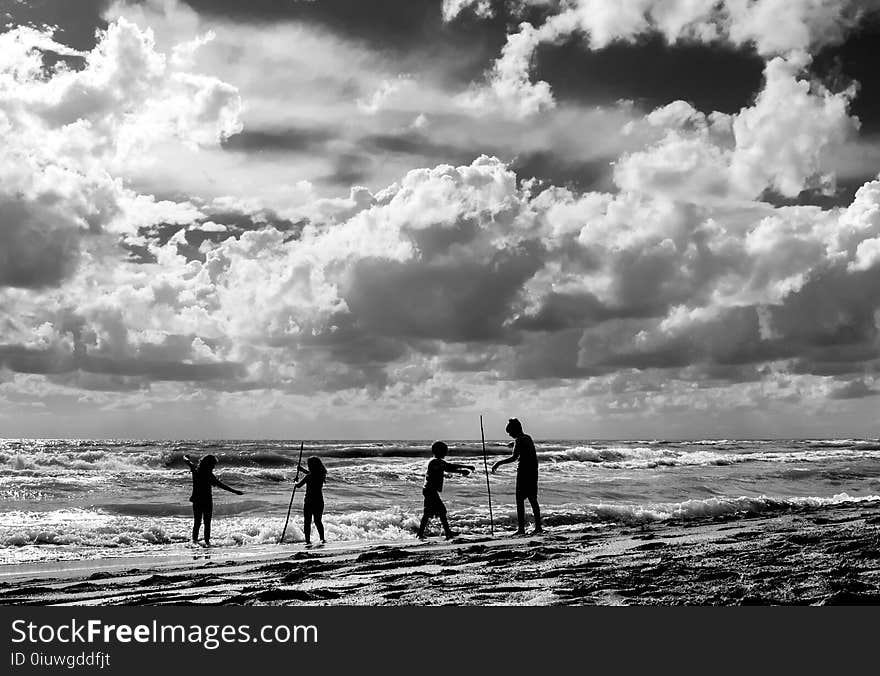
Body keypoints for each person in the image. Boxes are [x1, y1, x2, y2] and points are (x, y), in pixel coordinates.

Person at [492, 418, 543, 535]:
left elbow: (514, 458)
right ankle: (538, 527)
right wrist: (513, 445)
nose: (510, 435)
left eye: (510, 433)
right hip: (533, 472)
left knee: (520, 501)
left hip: (523, 473)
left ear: (515, 430)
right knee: (533, 500)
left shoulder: (519, 441)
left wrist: (498, 463)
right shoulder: (528, 438)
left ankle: (521, 529)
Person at [416, 441, 475, 540]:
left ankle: (422, 533)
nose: (446, 453)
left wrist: (464, 468)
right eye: (445, 451)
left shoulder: (437, 461)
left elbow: (448, 467)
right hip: (430, 490)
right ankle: (446, 532)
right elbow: (449, 466)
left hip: (429, 490)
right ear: (439, 451)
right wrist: (464, 468)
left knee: (430, 512)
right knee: (441, 511)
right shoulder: (434, 461)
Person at [182, 454, 243, 547]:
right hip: (206, 500)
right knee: (207, 523)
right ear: (208, 464)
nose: (214, 466)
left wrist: (185, 457)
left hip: (196, 500)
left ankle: (194, 543)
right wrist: (235, 491)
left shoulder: (195, 469)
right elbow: (221, 485)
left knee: (197, 522)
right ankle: (207, 542)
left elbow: (187, 461)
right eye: (213, 464)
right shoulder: (209, 475)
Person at [295, 456, 327, 545]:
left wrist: (295, 481)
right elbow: (311, 473)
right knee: (318, 521)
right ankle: (322, 539)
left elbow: (298, 486)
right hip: (319, 501)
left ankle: (308, 541)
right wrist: (302, 470)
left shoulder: (308, 476)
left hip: (309, 501)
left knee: (307, 522)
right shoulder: (321, 475)